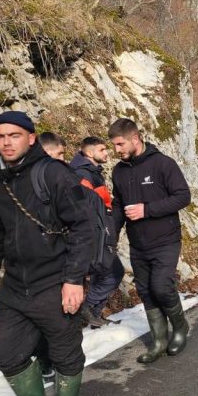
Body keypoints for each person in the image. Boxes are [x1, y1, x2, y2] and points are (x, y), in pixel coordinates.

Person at [0, 111, 94, 396]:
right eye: (0, 136)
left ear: (31, 138)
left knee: (65, 356)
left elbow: (84, 227)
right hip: (15, 286)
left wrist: (73, 279)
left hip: (54, 282)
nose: (6, 142)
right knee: (4, 353)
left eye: (14, 135)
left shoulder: (54, 174)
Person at [109, 118, 191, 364]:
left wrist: (147, 210)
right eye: (113, 145)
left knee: (161, 286)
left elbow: (182, 196)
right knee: (145, 291)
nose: (117, 150)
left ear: (135, 139)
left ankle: (180, 327)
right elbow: (117, 205)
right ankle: (158, 341)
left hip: (166, 239)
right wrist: (111, 236)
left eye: (120, 144)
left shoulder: (163, 164)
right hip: (138, 243)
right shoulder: (118, 171)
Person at [71, 136, 123, 328]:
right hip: (95, 234)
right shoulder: (81, 174)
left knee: (102, 273)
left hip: (101, 232)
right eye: (102, 150)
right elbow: (84, 208)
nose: (107, 152)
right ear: (89, 152)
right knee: (113, 272)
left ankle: (94, 314)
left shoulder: (92, 172)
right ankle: (89, 307)